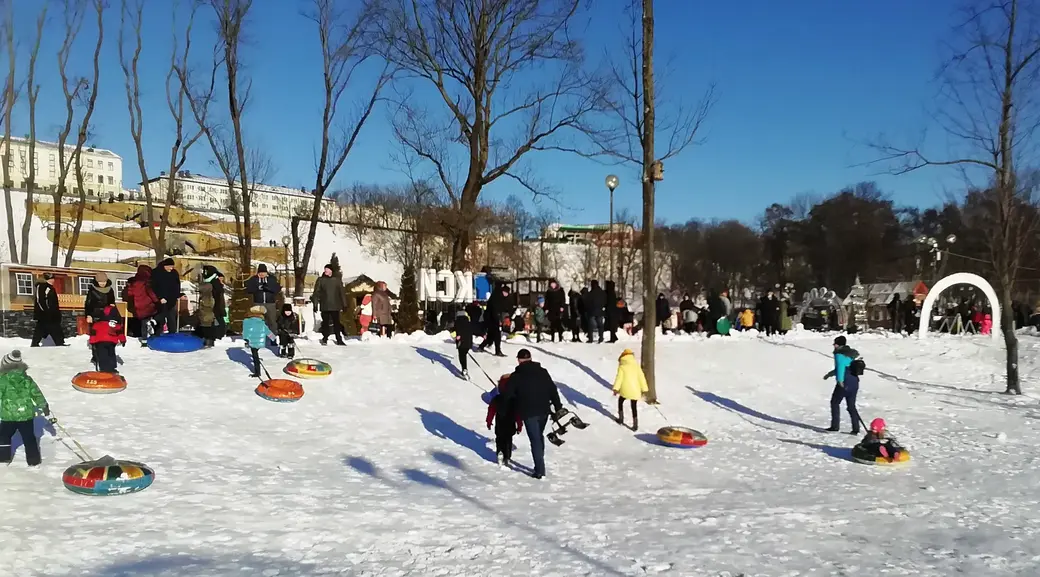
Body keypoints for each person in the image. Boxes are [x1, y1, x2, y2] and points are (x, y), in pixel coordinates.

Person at [500, 348, 562, 479]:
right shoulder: (543, 372)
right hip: (544, 410)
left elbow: (508, 395)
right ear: (530, 358)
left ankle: (540, 471)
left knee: (535, 440)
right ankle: (540, 464)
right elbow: (552, 389)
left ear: (519, 360)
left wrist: (503, 410)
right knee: (538, 437)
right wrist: (558, 406)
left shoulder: (516, 376)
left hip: (529, 412)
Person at [0, 350, 49, 467]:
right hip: (26, 415)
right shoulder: (27, 379)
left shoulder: (2, 380)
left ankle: (3, 458)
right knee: (29, 438)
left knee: (3, 436)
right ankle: (33, 461)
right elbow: (36, 393)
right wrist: (44, 406)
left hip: (8, 415)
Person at [823, 335, 863, 434]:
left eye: (835, 343)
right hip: (854, 382)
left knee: (835, 402)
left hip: (844, 382)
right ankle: (856, 428)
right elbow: (845, 366)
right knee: (851, 406)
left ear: (838, 344)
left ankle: (835, 426)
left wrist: (840, 381)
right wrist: (830, 374)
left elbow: (840, 367)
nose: (834, 345)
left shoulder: (839, 354)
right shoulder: (849, 354)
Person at [486, 374, 523, 466]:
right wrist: (519, 425)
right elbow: (518, 414)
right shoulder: (515, 400)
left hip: (499, 422)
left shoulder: (496, 399)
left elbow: (491, 411)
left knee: (499, 439)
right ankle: (507, 457)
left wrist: (489, 421)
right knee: (508, 440)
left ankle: (500, 452)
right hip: (510, 423)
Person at [612, 349, 648, 430]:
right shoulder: (636, 365)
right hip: (635, 389)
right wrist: (644, 388)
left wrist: (616, 389)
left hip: (625, 389)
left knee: (620, 401)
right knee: (633, 406)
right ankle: (635, 425)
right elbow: (641, 377)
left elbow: (619, 378)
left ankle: (621, 419)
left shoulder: (622, 366)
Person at [123, 264, 160, 345]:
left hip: (137, 306)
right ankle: (151, 328)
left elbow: (128, 294)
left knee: (141, 322)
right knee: (151, 317)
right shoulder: (147, 281)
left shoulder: (133, 281)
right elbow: (151, 293)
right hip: (147, 305)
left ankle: (143, 340)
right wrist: (157, 301)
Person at [311, 264, 346, 345]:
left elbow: (342, 293)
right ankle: (325, 338)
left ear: (331, 271)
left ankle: (339, 339)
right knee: (325, 323)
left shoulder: (337, 280)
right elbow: (316, 293)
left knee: (336, 323)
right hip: (325, 305)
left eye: (327, 269)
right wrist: (315, 304)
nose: (325, 270)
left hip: (335, 306)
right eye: (325, 269)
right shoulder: (321, 280)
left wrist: (344, 305)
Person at [245, 264, 281, 339]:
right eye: (260, 272)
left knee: (271, 321)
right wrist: (258, 288)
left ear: (266, 272)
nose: (261, 274)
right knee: (258, 321)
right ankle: (259, 337)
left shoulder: (272, 279)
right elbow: (248, 290)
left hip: (270, 303)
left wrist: (268, 288)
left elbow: (277, 289)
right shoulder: (253, 279)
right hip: (258, 303)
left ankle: (272, 338)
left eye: (263, 272)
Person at [88, 304, 126, 373]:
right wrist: (123, 340)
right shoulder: (115, 324)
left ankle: (104, 369)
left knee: (103, 355)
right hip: (111, 342)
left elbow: (93, 333)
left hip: (100, 342)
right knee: (111, 354)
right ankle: (112, 368)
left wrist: (92, 342)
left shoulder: (98, 323)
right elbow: (120, 332)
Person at [31, 273, 65, 347]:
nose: (53, 280)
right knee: (41, 328)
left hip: (52, 313)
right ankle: (35, 343)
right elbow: (40, 300)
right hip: (44, 313)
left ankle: (60, 342)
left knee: (55, 327)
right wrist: (45, 310)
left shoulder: (51, 287)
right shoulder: (42, 286)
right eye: (51, 279)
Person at [242, 305, 276, 378]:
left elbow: (245, 331)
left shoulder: (247, 321)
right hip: (259, 341)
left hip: (252, 341)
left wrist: (246, 339)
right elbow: (267, 330)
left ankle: (257, 372)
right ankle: (257, 370)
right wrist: (273, 338)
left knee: (255, 356)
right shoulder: (261, 322)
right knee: (255, 354)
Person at [151, 258, 182, 335]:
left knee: (171, 319)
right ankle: (157, 334)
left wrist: (177, 295)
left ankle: (172, 335)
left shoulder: (174, 273)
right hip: (160, 300)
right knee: (161, 318)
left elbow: (177, 285)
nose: (171, 268)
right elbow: (154, 287)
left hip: (171, 299)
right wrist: (159, 297)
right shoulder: (157, 272)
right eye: (170, 266)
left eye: (172, 266)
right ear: (165, 266)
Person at [478, 283, 509, 356]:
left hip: (491, 319)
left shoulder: (498, 297)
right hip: (492, 319)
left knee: (491, 335)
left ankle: (481, 346)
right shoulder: (497, 298)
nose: (507, 294)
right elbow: (494, 310)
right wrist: (497, 320)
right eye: (506, 292)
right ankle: (497, 351)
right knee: (497, 335)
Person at [197, 281, 217, 349]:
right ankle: (207, 341)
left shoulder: (207, 295)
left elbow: (209, 304)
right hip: (205, 314)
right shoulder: (205, 295)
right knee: (205, 328)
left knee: (207, 328)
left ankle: (209, 342)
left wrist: (202, 305)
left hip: (207, 315)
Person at [454, 309, 473, 379]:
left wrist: (456, 336)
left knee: (461, 356)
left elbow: (455, 330)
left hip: (461, 342)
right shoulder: (468, 321)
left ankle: (464, 369)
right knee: (464, 354)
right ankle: (464, 369)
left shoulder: (457, 322)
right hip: (468, 342)